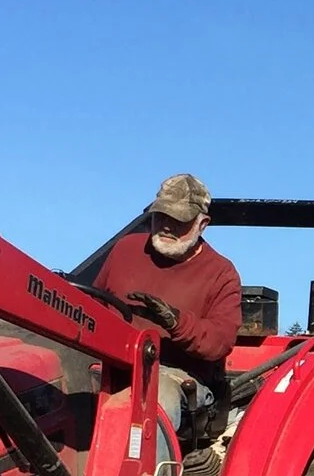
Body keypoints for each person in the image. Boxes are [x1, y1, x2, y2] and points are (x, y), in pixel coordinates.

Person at [98, 173, 242, 429]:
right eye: (160, 216)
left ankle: (148, 469)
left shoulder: (221, 272)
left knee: (157, 396)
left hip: (176, 373)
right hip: (112, 361)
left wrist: (176, 322)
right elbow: (93, 304)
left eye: (178, 220)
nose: (166, 225)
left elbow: (219, 343)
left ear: (202, 224)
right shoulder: (125, 249)